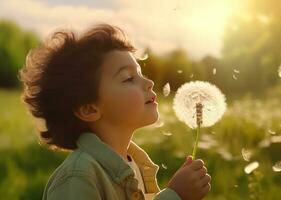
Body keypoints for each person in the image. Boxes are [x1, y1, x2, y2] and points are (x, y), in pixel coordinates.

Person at [19, 23, 211, 200]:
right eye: (128, 78)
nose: (149, 82)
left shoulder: (136, 166)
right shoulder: (78, 178)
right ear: (89, 108)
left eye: (140, 74)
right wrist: (174, 196)